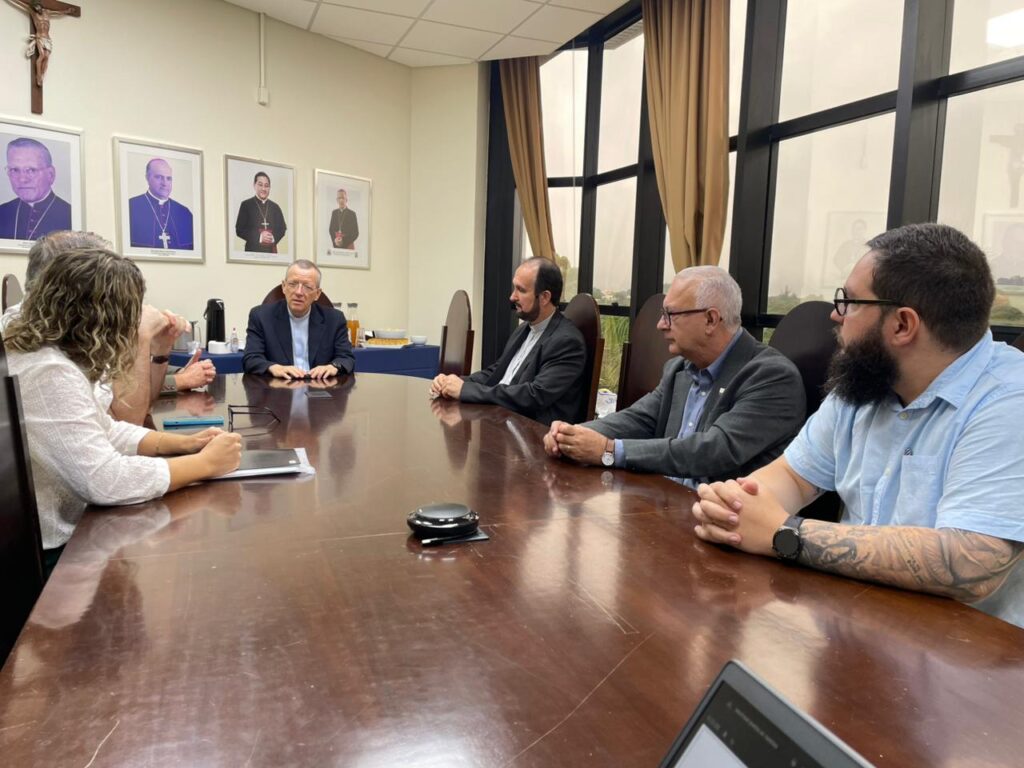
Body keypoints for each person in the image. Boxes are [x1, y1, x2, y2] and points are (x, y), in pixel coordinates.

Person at [692, 223, 1024, 628]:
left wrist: (785, 534)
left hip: (966, 649)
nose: (835, 314)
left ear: (902, 325)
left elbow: (974, 561)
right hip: (853, 623)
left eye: (848, 301)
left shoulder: (1009, 400)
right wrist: (734, 508)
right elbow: (793, 477)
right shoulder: (865, 382)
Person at [3, 247, 241, 563]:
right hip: (54, 554)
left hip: (65, 533)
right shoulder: (49, 370)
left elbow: (105, 429)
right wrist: (205, 464)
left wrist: (184, 444)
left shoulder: (50, 354)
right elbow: (104, 480)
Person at [543, 266, 805, 485]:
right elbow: (640, 419)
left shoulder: (771, 377)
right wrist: (571, 435)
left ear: (711, 319)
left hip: (722, 521)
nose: (661, 325)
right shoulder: (679, 369)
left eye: (671, 315)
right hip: (663, 503)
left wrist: (609, 451)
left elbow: (713, 450)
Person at [0, 230, 217, 420]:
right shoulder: (44, 351)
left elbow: (131, 404)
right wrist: (139, 336)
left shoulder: (60, 326)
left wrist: (161, 348)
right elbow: (127, 417)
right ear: (70, 279)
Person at [431, 257, 587, 426]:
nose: (512, 296)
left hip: (531, 432)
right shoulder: (524, 329)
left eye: (521, 290)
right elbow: (496, 372)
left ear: (544, 297)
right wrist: (455, 382)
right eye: (514, 288)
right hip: (501, 418)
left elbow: (534, 396)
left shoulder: (567, 341)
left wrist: (465, 390)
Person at [242, 259, 354, 379]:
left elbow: (346, 358)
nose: (299, 292)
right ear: (284, 286)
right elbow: (251, 359)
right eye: (293, 284)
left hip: (319, 385)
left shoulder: (334, 319)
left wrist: (333, 366)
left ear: (317, 294)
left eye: (307, 287)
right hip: (279, 385)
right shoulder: (261, 316)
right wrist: (273, 367)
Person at [0, 137, 71, 240]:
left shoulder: (69, 215)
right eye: (15, 170)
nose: (22, 179)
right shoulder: (2, 212)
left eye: (31, 170)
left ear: (50, 174)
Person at [128, 158, 194, 250]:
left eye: (168, 178)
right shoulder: (131, 207)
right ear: (147, 178)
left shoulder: (184, 213)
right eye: (159, 177)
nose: (165, 183)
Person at [235, 171, 286, 253]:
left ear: (269, 188)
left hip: (271, 252)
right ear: (254, 185)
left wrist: (273, 238)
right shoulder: (246, 205)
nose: (263, 189)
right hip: (252, 252)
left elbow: (282, 228)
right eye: (260, 185)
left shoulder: (275, 207)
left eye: (266, 186)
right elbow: (239, 230)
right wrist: (259, 237)